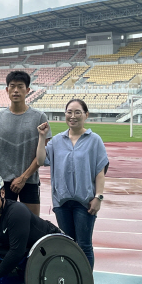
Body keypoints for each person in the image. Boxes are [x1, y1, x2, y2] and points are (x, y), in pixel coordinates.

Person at [36, 99, 108, 268]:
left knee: (84, 245)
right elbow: (40, 160)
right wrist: (41, 137)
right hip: (62, 201)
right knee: (68, 245)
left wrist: (99, 197)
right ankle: (72, 281)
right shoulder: (57, 141)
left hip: (85, 202)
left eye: (77, 112)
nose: (72, 116)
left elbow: (100, 172)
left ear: (86, 115)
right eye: (69, 112)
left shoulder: (94, 140)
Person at [0, 70, 50, 216]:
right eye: (12, 86)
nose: (16, 90)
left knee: (32, 223)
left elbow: (43, 153)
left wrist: (23, 178)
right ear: (7, 89)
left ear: (28, 90)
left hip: (29, 180)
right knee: (2, 223)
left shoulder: (39, 117)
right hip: (3, 181)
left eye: (20, 86)